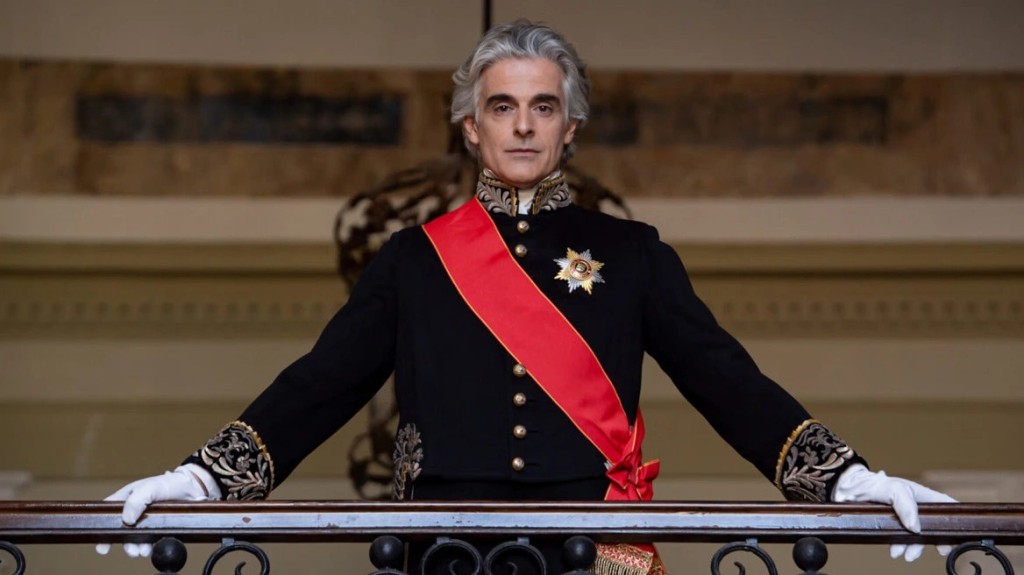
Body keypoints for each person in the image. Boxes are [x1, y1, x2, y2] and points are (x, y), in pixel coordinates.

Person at [97, 20, 955, 574]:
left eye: (543, 107)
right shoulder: (415, 259)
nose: (522, 124)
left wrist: (847, 479)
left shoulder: (633, 254)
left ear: (569, 127)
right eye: (501, 107)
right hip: (442, 551)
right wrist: (203, 478)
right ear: (471, 127)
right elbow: (320, 384)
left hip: (587, 549)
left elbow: (726, 379)